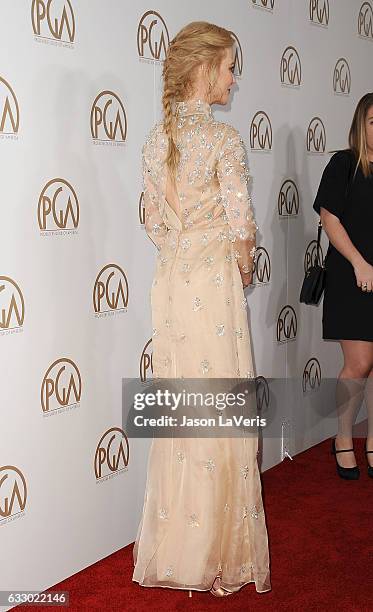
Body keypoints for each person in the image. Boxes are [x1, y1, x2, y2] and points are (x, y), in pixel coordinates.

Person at [132, 22, 271, 597]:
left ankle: (182, 552)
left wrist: (185, 251)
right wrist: (239, 266)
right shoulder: (222, 141)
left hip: (172, 284)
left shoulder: (152, 140)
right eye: (230, 67)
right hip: (211, 284)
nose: (234, 79)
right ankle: (220, 560)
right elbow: (242, 231)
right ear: (203, 69)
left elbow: (151, 225)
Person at [313, 92, 373, 480]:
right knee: (359, 363)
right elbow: (329, 219)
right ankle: (342, 437)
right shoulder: (344, 164)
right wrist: (359, 262)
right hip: (354, 276)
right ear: (360, 125)